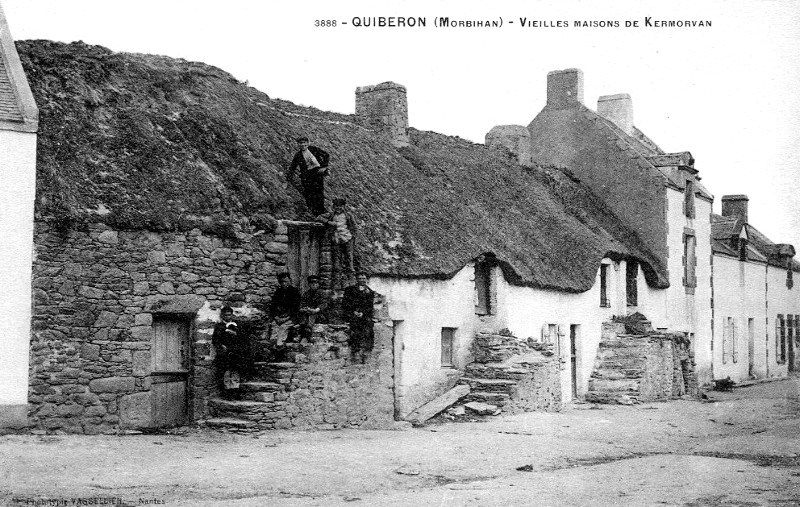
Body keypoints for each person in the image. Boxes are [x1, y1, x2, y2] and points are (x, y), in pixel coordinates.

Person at [287, 136, 330, 216]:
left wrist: (324, 167)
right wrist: (288, 177)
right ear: (298, 144)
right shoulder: (298, 155)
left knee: (319, 192)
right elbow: (293, 167)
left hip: (317, 174)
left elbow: (326, 155)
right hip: (307, 177)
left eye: (304, 143)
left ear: (308, 143)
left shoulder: (313, 149)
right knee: (309, 194)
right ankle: (314, 212)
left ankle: (321, 211)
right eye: (301, 143)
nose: (303, 145)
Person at [316, 197, 356, 282]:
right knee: (337, 262)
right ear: (334, 207)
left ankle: (352, 283)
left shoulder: (348, 215)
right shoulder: (331, 215)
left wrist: (352, 236)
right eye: (336, 206)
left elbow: (354, 227)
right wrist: (328, 222)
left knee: (349, 260)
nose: (338, 208)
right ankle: (337, 283)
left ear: (344, 206)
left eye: (340, 206)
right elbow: (318, 217)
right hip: (336, 239)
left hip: (347, 239)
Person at [212, 306, 247, 396]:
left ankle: (235, 389)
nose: (228, 317)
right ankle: (227, 390)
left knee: (235, 370)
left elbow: (243, 339)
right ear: (222, 316)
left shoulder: (236, 326)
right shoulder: (219, 326)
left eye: (229, 315)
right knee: (226, 371)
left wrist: (236, 334)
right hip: (224, 352)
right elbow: (215, 340)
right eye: (226, 315)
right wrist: (221, 345)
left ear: (232, 315)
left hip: (235, 352)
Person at [342, 271, 376, 364]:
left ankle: (366, 352)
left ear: (367, 280)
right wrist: (353, 311)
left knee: (369, 328)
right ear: (356, 280)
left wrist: (363, 313)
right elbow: (345, 303)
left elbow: (370, 306)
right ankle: (356, 352)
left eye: (364, 279)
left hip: (364, 315)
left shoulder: (370, 292)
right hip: (351, 314)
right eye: (360, 278)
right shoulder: (349, 290)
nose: (362, 280)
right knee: (355, 328)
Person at [268, 273, 301, 346]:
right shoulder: (278, 292)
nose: (284, 284)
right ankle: (274, 346)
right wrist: (276, 317)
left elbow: (295, 308)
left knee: (283, 329)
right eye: (282, 282)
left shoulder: (294, 292)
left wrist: (286, 318)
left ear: (290, 281)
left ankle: (280, 346)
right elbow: (273, 306)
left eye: (286, 281)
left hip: (291, 318)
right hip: (279, 317)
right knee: (274, 331)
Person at [298, 275, 327, 341]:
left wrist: (315, 310)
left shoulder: (322, 293)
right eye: (311, 283)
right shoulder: (306, 294)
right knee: (304, 314)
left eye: (316, 282)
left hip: (319, 315)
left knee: (312, 314)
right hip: (307, 314)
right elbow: (301, 305)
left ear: (318, 284)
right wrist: (304, 309)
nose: (314, 284)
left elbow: (324, 304)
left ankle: (307, 332)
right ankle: (302, 331)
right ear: (309, 284)